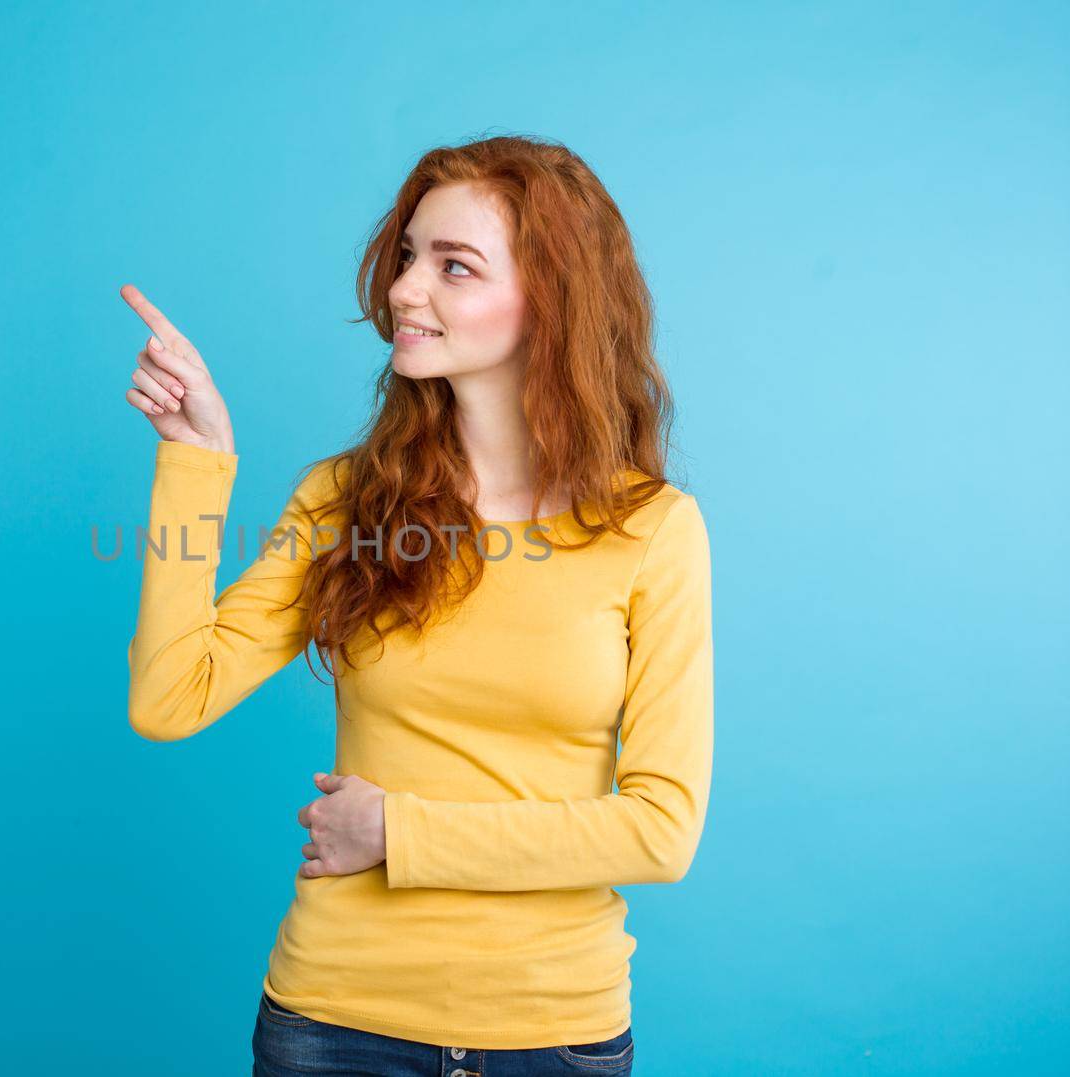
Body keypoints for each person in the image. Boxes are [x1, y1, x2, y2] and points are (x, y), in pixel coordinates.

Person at [122, 134, 712, 1077]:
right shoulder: (345, 501)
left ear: (551, 301)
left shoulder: (654, 531)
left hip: (553, 1035)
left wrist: (396, 831)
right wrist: (196, 464)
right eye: (407, 255)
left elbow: (660, 828)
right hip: (332, 1022)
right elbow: (169, 696)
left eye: (454, 266)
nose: (403, 289)